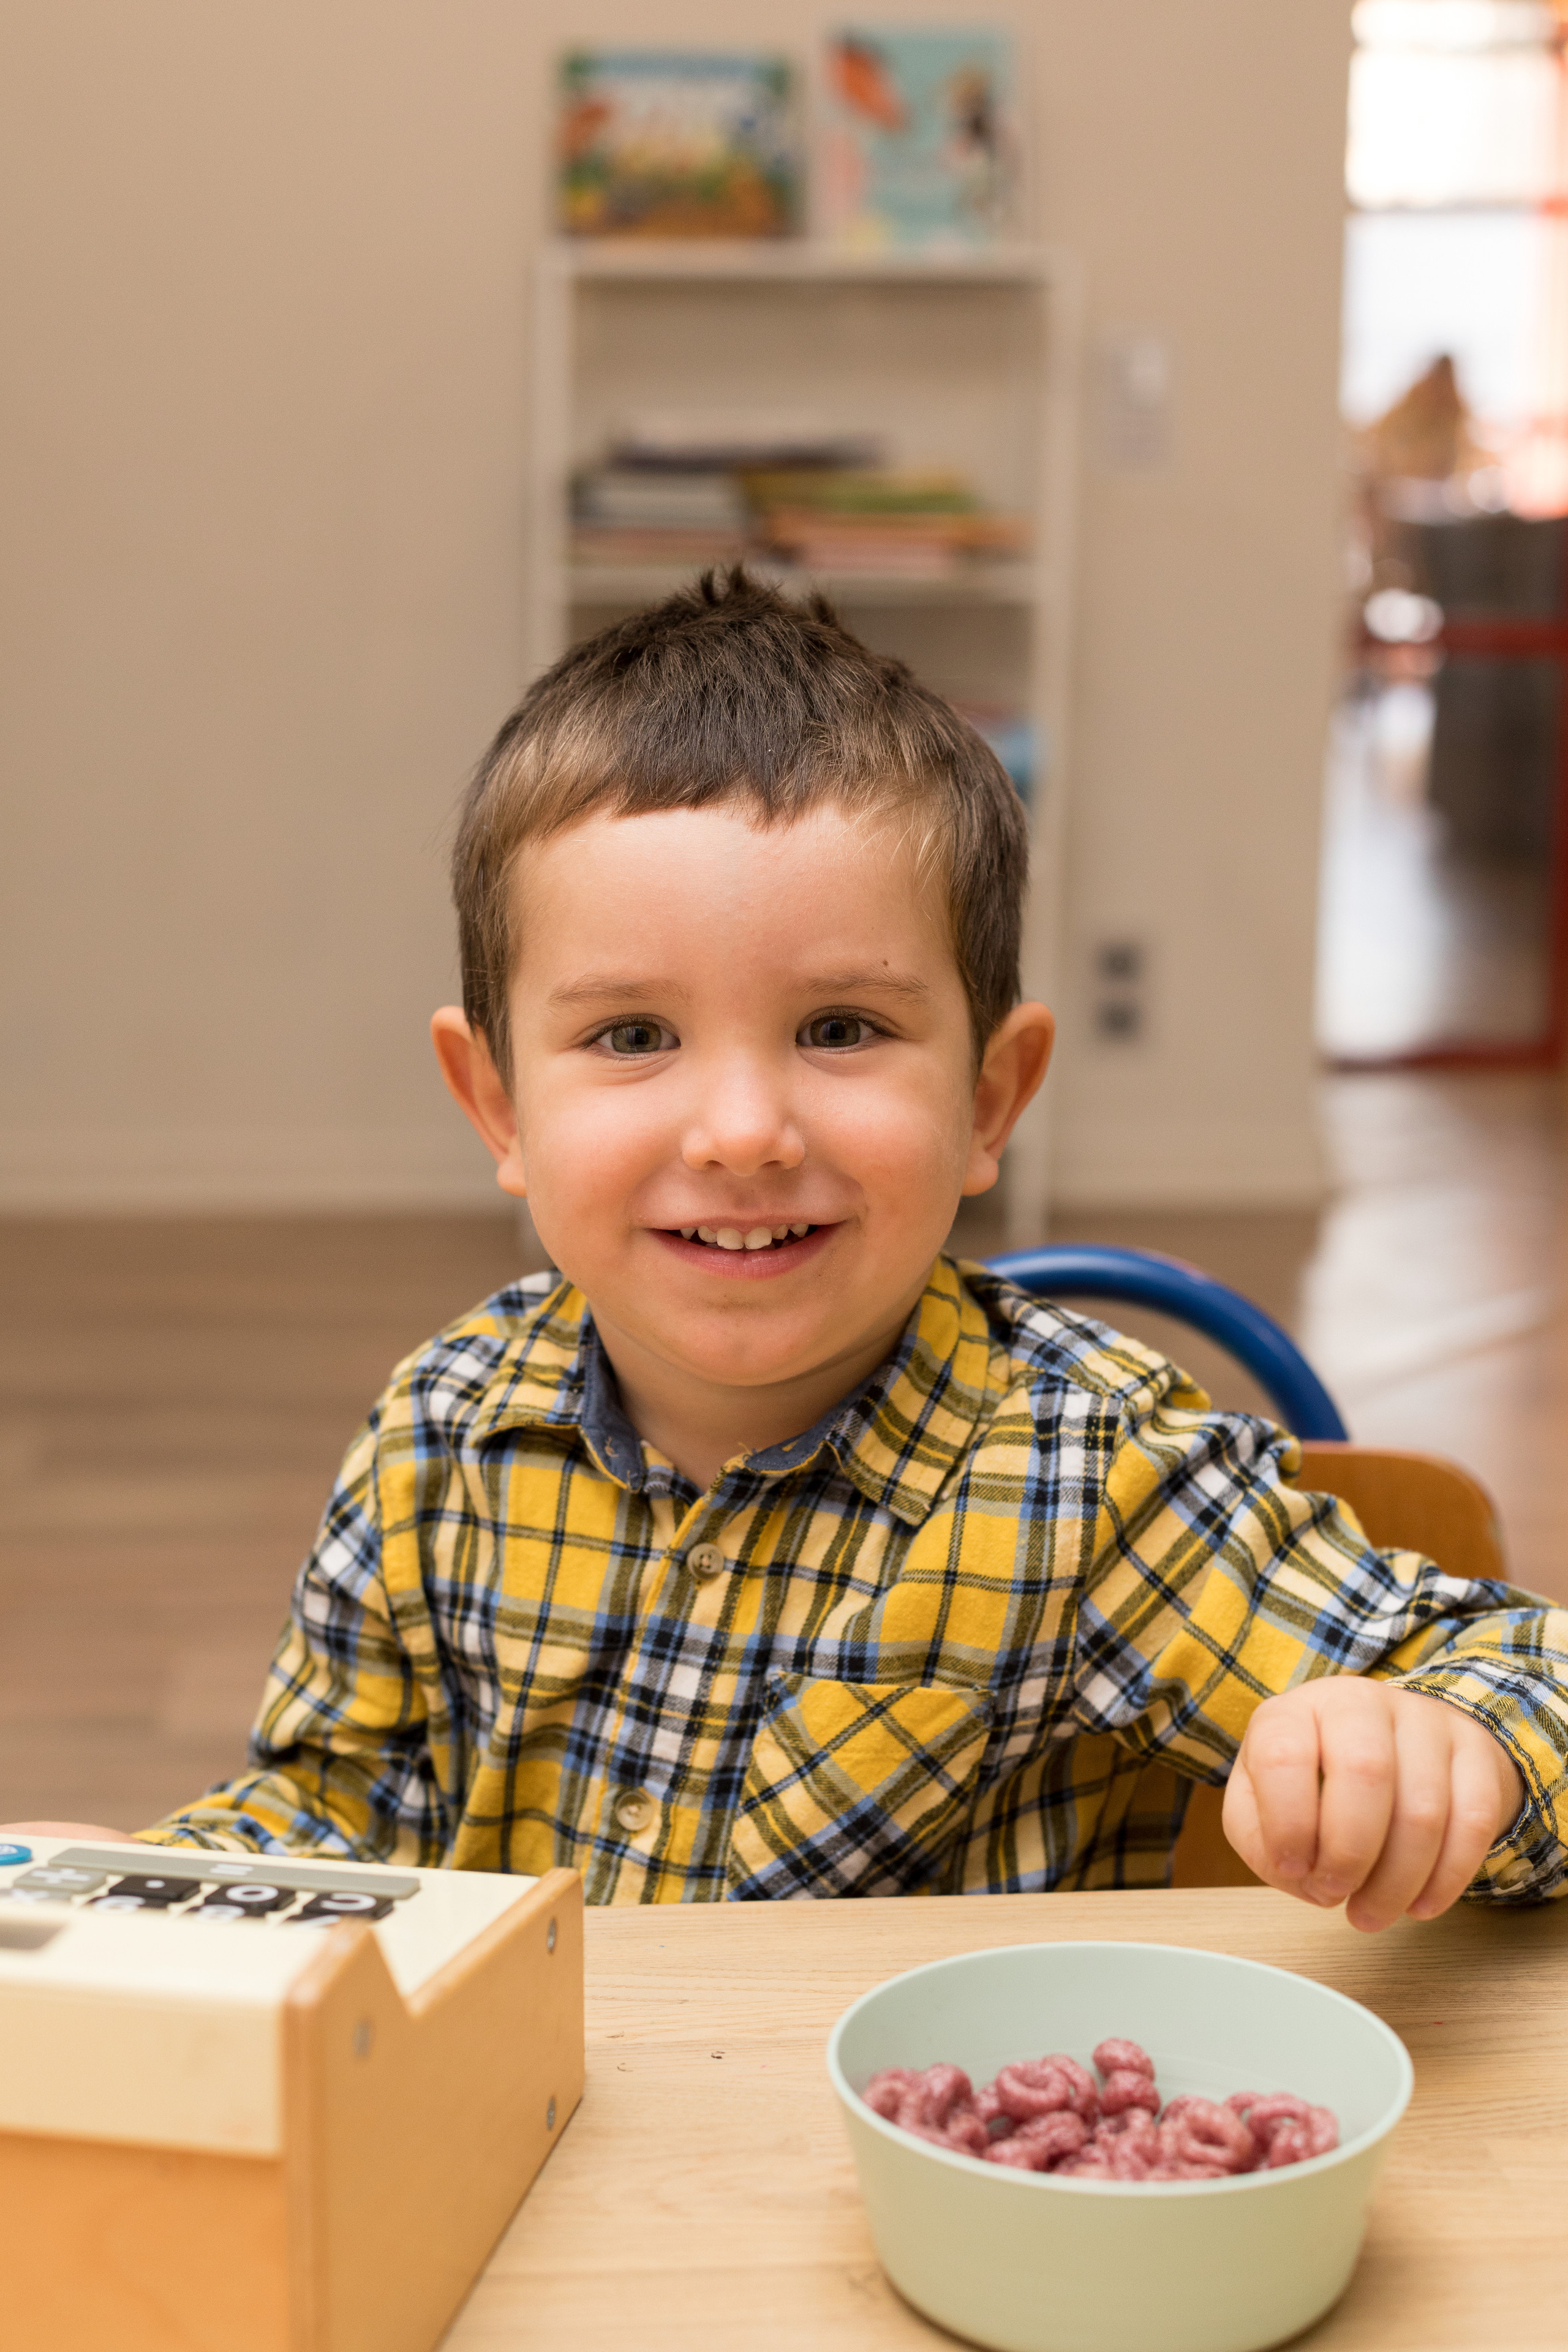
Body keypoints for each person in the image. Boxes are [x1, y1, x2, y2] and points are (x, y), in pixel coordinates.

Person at [17, 570, 1566, 1931]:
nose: (743, 1129)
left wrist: (1454, 1749)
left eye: (840, 1029)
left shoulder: (1090, 1476)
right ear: (496, 1103)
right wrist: (131, 1884)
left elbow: (1523, 1679)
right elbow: (337, 1822)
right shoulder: (440, 1430)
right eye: (632, 1035)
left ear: (989, 1096)